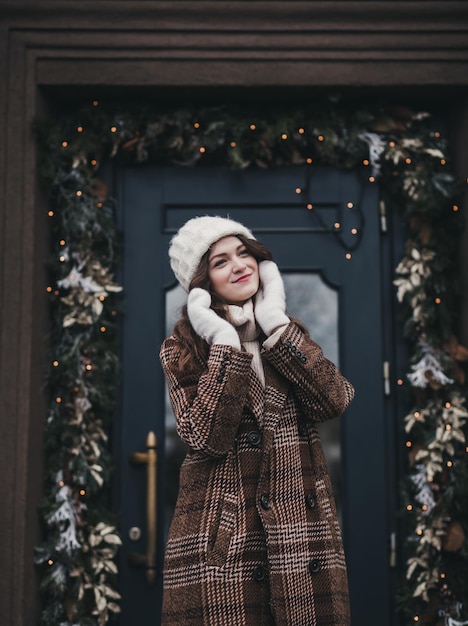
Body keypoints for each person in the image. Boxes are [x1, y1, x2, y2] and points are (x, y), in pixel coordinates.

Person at [160, 215, 355, 625]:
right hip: (224, 541)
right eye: (220, 261)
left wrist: (275, 322)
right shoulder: (182, 349)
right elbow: (204, 437)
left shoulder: (285, 334)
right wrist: (226, 343)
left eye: (244, 253)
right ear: (202, 283)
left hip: (302, 535)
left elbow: (334, 400)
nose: (239, 266)